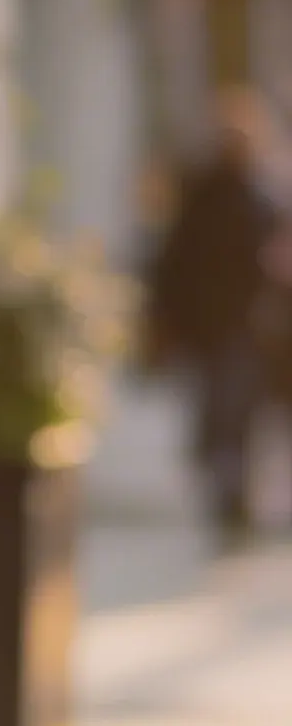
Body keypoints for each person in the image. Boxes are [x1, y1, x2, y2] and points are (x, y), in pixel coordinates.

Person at [149, 85, 281, 543]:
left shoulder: (261, 196)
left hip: (246, 326)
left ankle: (233, 495)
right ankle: (227, 493)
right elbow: (174, 261)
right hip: (215, 325)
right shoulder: (205, 193)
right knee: (221, 411)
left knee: (237, 414)